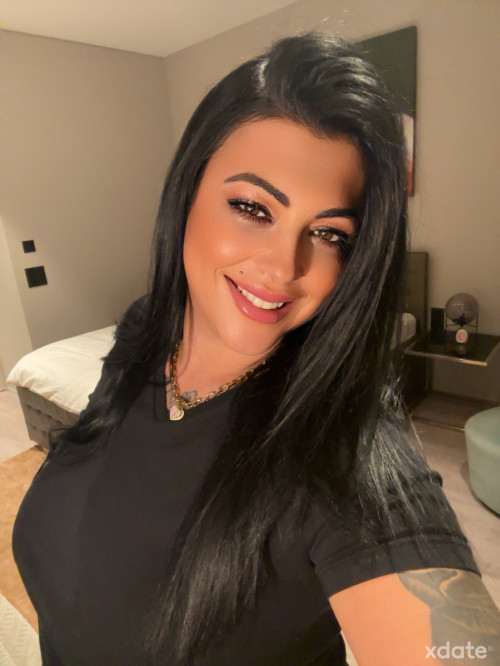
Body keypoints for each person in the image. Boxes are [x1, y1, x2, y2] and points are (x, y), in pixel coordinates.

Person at [12, 33, 500, 665]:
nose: (282, 267)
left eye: (329, 234)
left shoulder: (346, 449)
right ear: (187, 193)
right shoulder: (146, 329)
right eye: (251, 207)